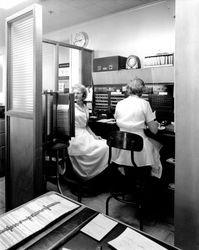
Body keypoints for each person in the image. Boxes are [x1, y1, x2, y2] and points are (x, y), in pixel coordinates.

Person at [113, 78, 163, 179]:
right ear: (142, 90)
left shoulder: (120, 103)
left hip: (121, 143)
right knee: (158, 145)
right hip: (138, 143)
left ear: (129, 89)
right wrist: (156, 124)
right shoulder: (144, 104)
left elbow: (117, 119)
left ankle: (126, 168)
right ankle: (153, 175)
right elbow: (154, 130)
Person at [68, 84, 116, 182]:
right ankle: (88, 174)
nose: (76, 95)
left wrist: (94, 136)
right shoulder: (70, 106)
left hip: (85, 134)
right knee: (99, 148)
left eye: (78, 93)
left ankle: (99, 178)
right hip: (75, 136)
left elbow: (86, 125)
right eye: (74, 93)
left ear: (83, 95)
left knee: (106, 145)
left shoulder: (85, 107)